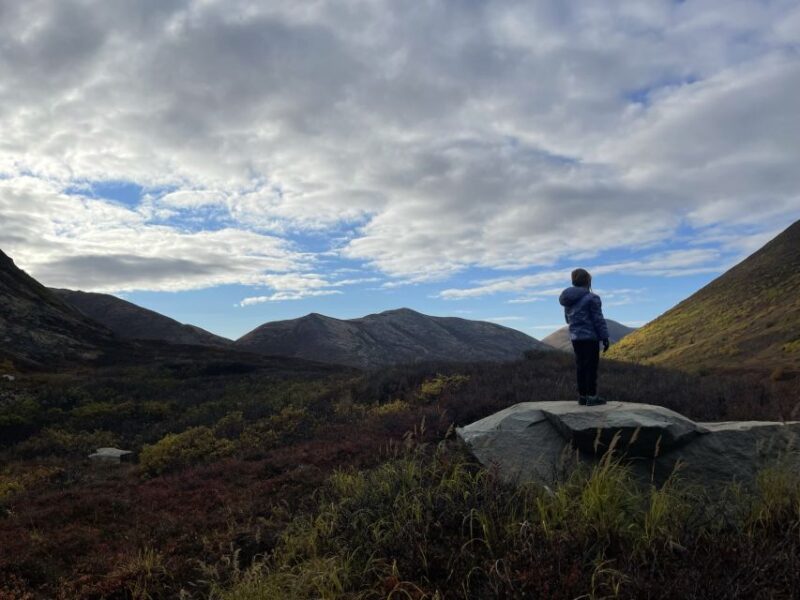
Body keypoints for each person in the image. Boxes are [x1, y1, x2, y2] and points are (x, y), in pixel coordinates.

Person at [559, 268, 610, 406]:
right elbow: (598, 320)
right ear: (587, 280)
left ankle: (582, 397)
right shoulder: (592, 298)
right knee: (591, 367)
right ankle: (592, 397)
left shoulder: (568, 300)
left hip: (576, 338)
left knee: (580, 366)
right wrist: (604, 337)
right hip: (590, 338)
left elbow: (567, 320)